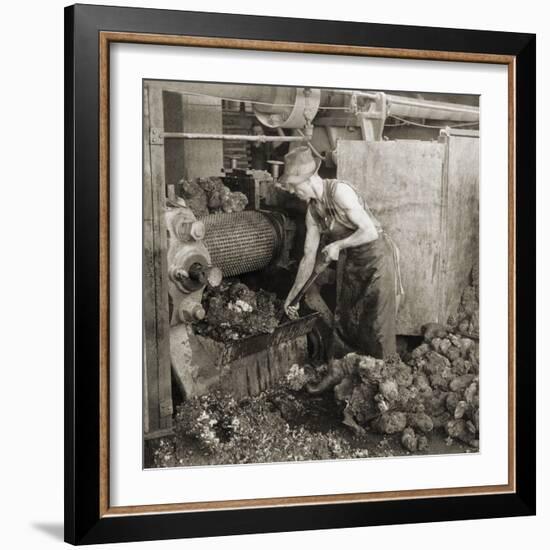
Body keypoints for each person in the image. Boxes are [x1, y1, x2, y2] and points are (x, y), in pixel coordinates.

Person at [279, 146, 403, 359]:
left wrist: (338, 245)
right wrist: (293, 295)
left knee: (376, 324)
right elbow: (309, 257)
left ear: (309, 179)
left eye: (293, 185)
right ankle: (343, 375)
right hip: (352, 260)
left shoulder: (339, 192)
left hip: (376, 258)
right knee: (346, 320)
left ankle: (381, 376)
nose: (291, 191)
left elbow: (370, 232)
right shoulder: (313, 211)